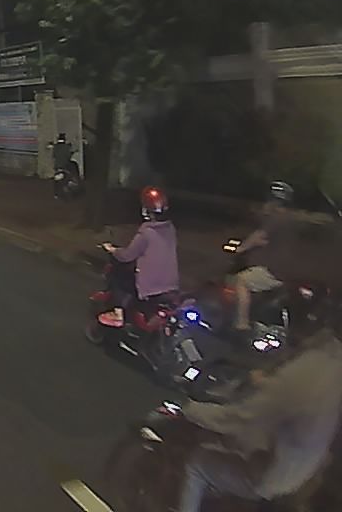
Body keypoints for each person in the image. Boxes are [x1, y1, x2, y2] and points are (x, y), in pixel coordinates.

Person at [176, 288, 342, 512]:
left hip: (278, 475)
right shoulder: (332, 358)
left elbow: (237, 419)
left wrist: (190, 409)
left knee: (198, 463)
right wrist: (266, 380)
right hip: (310, 465)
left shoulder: (300, 376)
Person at [98, 186, 180, 327]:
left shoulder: (146, 233)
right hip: (170, 283)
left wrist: (113, 250)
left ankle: (118, 314)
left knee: (118, 277)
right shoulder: (170, 229)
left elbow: (127, 256)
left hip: (151, 285)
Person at [231, 181, 297, 332]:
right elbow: (269, 239)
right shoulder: (288, 218)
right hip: (285, 268)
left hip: (274, 269)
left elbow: (258, 235)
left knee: (241, 281)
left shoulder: (276, 218)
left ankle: (242, 324)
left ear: (274, 200)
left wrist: (241, 248)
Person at [49, 133, 76, 197]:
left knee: (56, 181)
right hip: (66, 165)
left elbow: (54, 156)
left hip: (57, 166)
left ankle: (56, 193)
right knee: (70, 176)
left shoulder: (56, 147)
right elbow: (68, 156)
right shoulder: (67, 147)